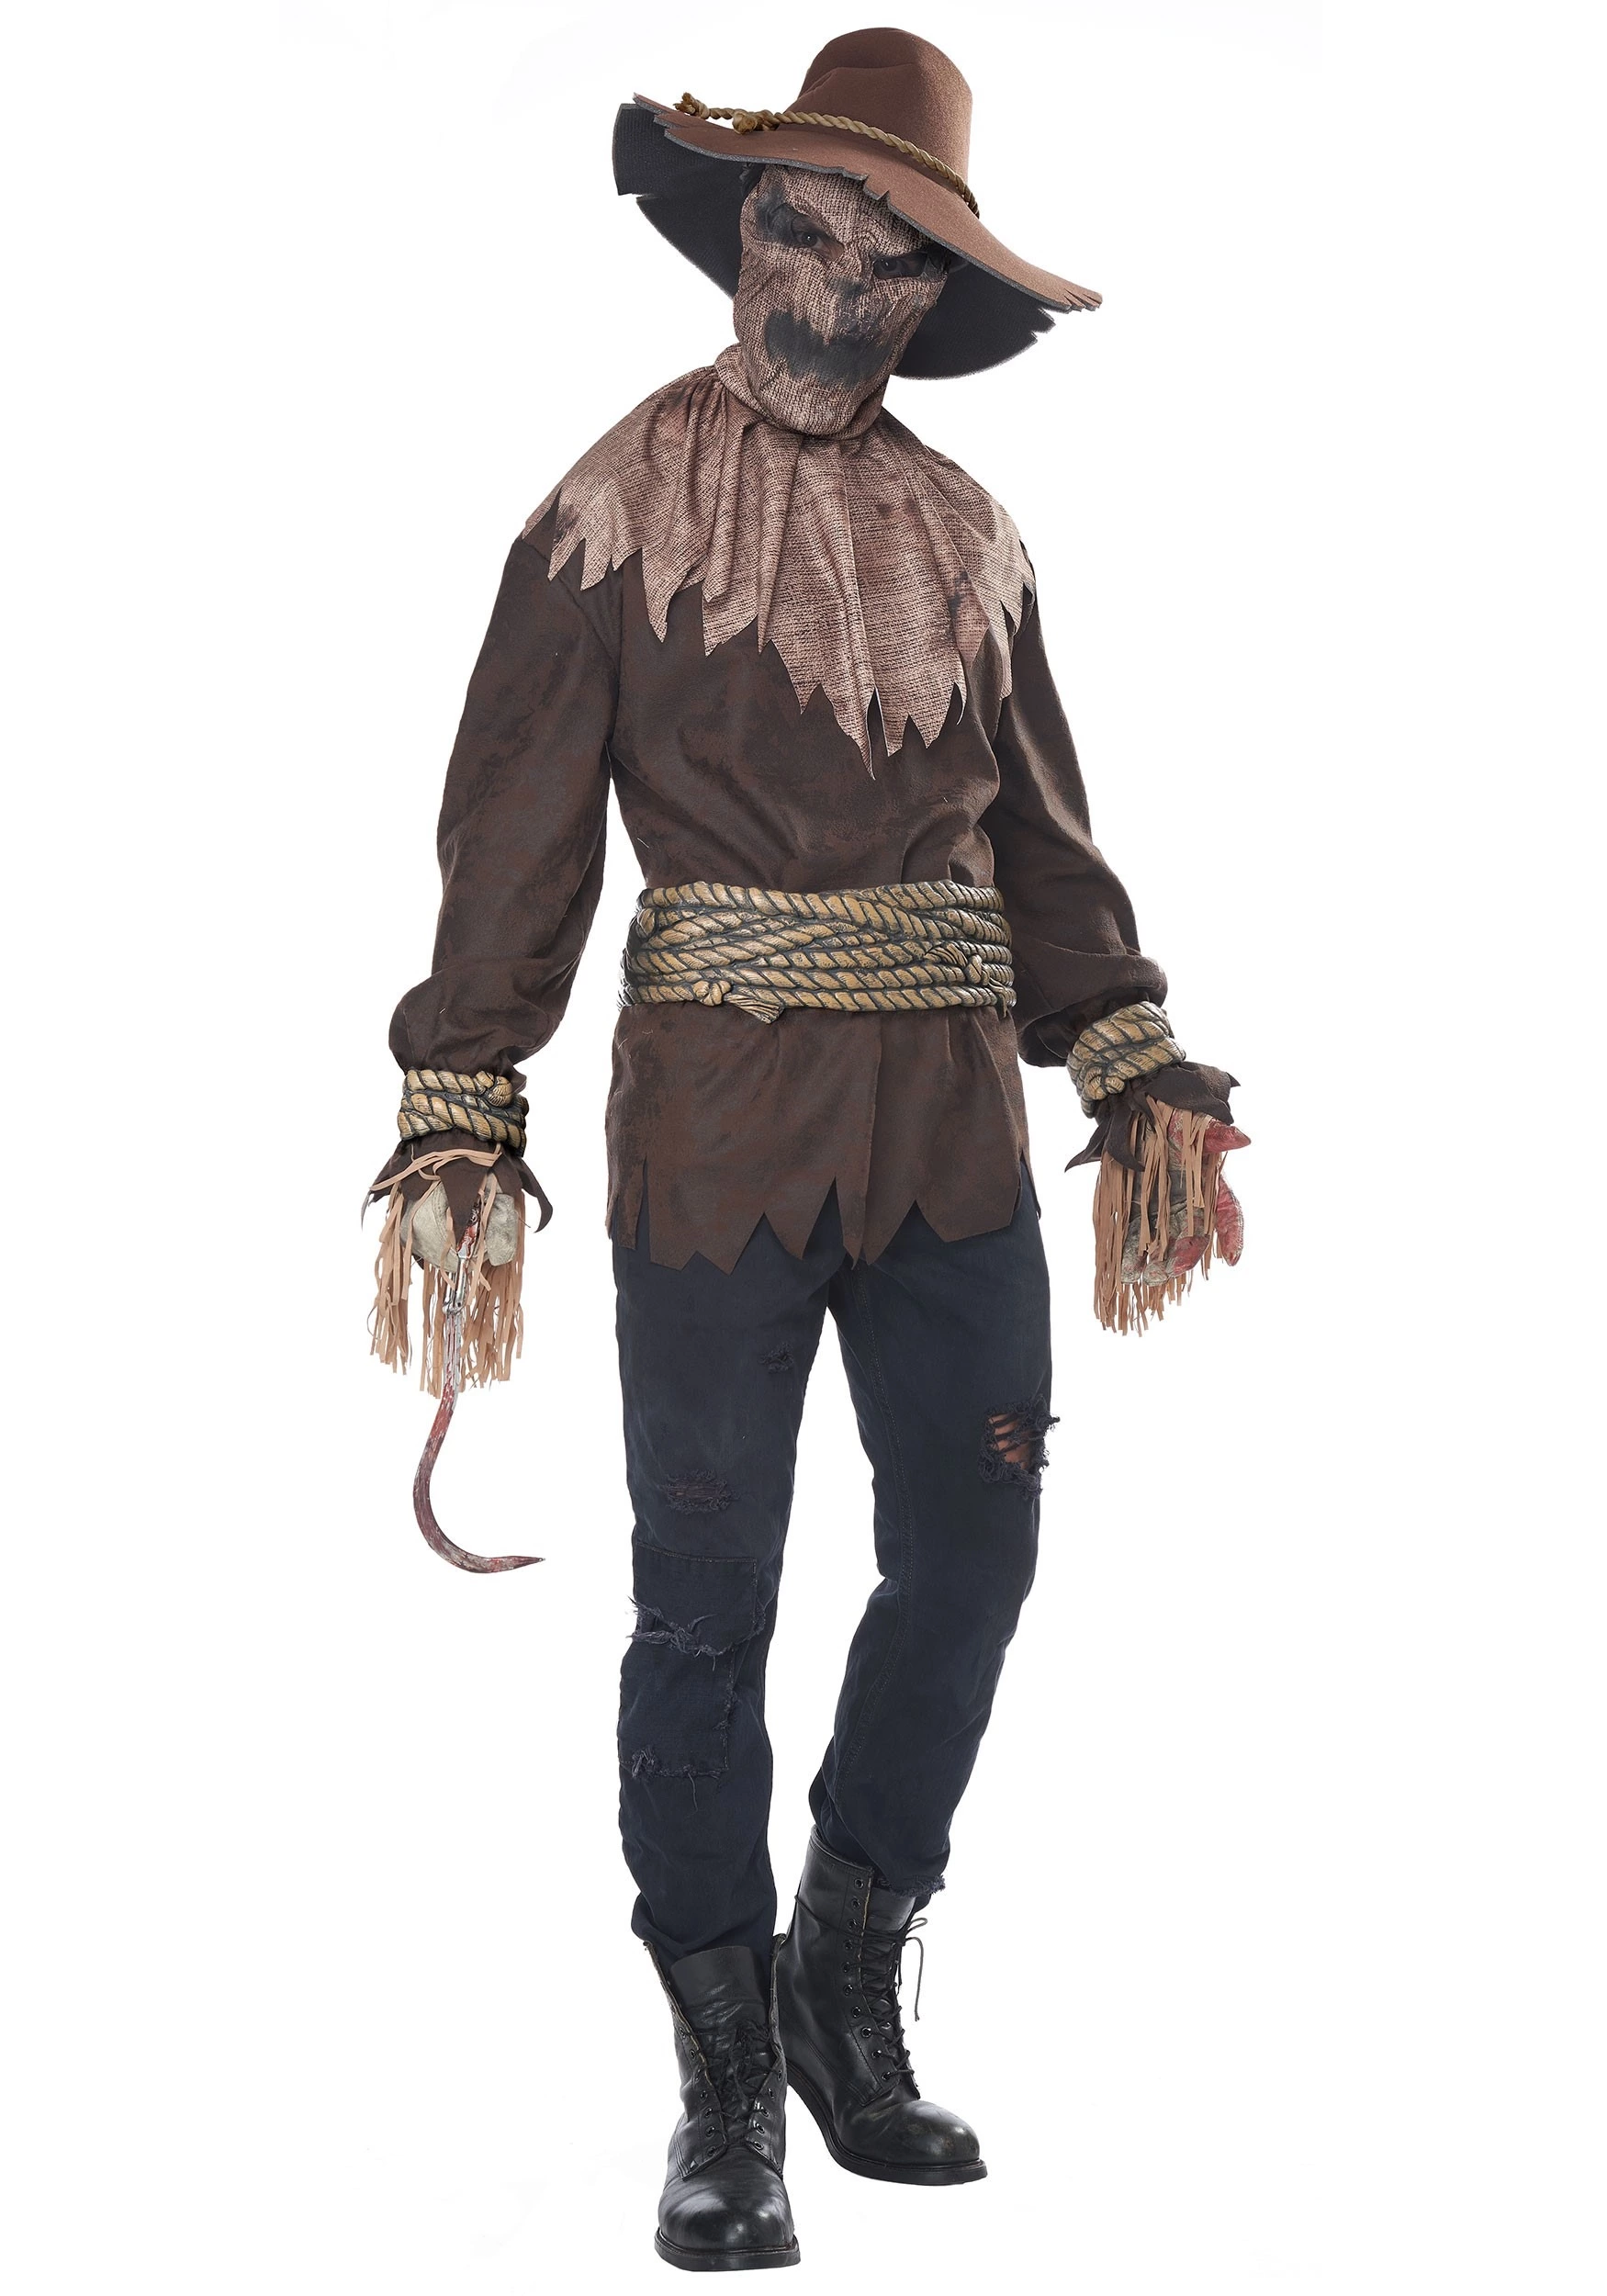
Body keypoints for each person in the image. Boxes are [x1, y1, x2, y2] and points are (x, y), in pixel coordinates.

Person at [369, 28, 1247, 2273]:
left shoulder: (972, 544)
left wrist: (1129, 1060)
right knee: (706, 1602)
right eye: (794, 230)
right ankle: (721, 2067)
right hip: (712, 1140)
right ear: (738, 230)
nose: (822, 286)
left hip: (948, 1129)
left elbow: (1042, 848)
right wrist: (461, 1097)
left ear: (925, 294)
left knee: (975, 1554)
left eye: (875, 258)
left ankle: (845, 1972)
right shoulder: (606, 515)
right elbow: (513, 837)